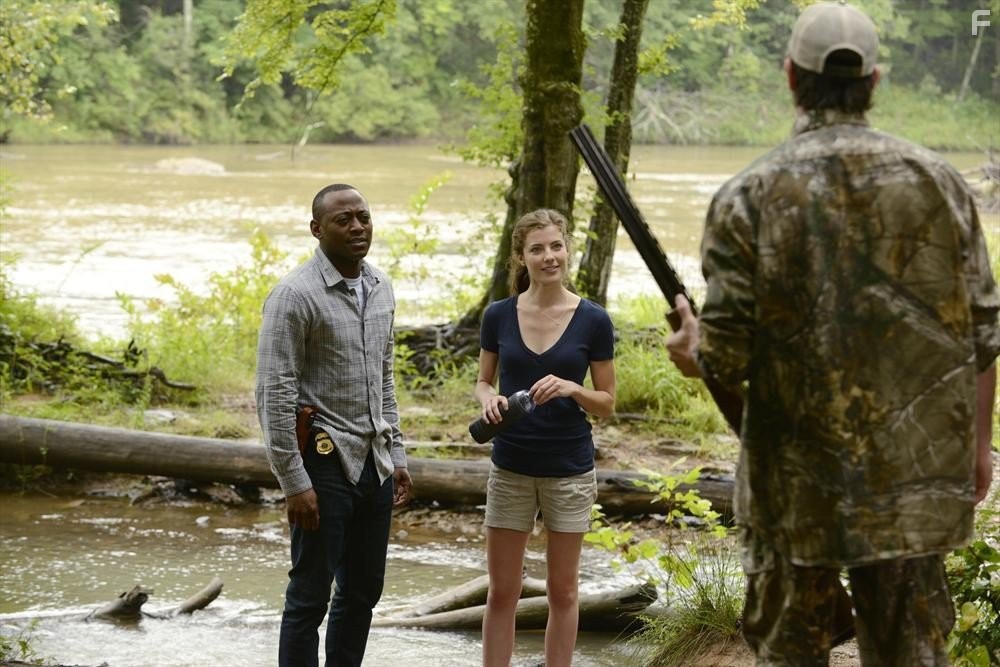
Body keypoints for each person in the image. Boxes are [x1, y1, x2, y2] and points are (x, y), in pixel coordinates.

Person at [665, 3, 999, 665]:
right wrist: (978, 447)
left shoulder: (748, 194)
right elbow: (984, 335)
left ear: (791, 76)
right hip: (913, 486)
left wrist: (688, 351)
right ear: (874, 81)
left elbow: (723, 356)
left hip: (793, 494)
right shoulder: (942, 184)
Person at [256, 183, 413, 667]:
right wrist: (293, 483)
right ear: (316, 229)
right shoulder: (294, 295)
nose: (357, 227)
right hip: (322, 461)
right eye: (343, 220)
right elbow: (273, 394)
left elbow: (384, 380)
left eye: (363, 217)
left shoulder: (380, 286)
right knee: (309, 595)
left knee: (363, 590)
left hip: (375, 462)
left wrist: (398, 454)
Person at [474, 208, 617, 667]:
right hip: (511, 465)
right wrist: (486, 400)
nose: (549, 256)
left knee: (564, 590)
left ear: (567, 249)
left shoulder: (594, 320)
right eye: (537, 249)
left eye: (556, 246)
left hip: (569, 470)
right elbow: (483, 380)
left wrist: (574, 388)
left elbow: (608, 402)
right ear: (522, 257)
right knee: (502, 592)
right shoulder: (498, 315)